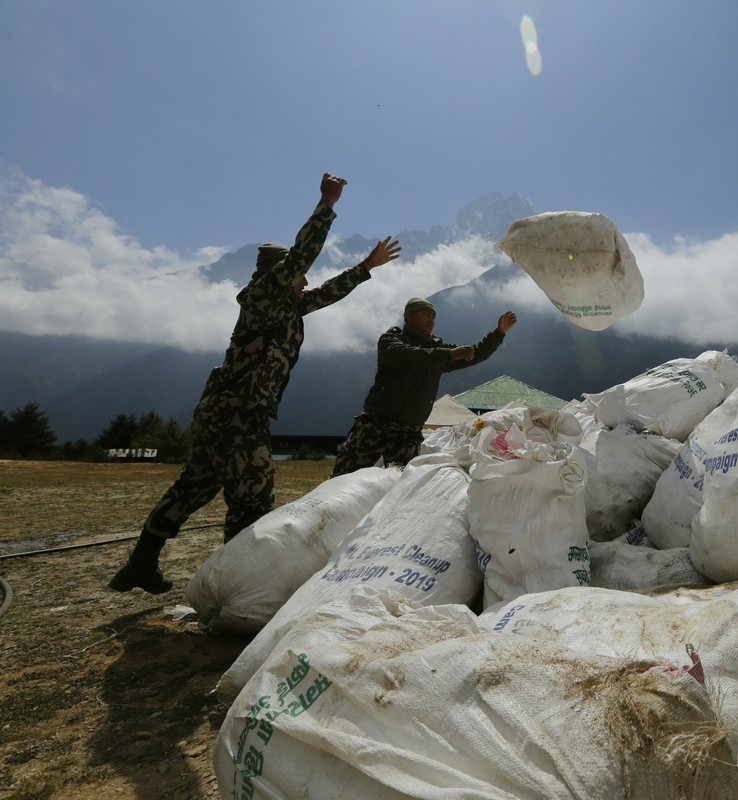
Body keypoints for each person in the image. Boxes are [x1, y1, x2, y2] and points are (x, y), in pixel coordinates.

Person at [109, 172, 404, 594]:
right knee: (253, 499)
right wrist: (326, 205)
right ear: (278, 275)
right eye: (296, 275)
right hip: (237, 415)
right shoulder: (264, 297)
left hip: (222, 414)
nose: (304, 281)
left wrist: (365, 268)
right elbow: (300, 258)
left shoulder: (285, 308)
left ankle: (140, 565)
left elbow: (326, 292)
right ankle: (239, 585)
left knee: (190, 489)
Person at [330, 299, 518, 477]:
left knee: (400, 488)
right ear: (409, 316)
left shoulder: (438, 350)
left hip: (409, 434)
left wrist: (499, 332)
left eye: (433, 316)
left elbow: (474, 354)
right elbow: (410, 356)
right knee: (343, 477)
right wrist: (448, 354)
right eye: (425, 314)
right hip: (376, 427)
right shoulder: (391, 340)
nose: (431, 319)